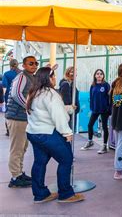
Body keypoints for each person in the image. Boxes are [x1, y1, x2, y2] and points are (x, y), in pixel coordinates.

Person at [25, 67, 84, 203]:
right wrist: (67, 132)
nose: (55, 78)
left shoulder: (34, 92)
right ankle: (66, 194)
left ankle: (40, 194)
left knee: (40, 162)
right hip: (48, 133)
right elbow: (58, 116)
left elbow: (42, 111)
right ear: (49, 78)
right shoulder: (51, 94)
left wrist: (67, 108)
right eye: (53, 76)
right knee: (66, 159)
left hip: (34, 133)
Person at [5, 55, 38, 188]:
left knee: (22, 147)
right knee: (17, 149)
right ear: (23, 65)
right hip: (16, 118)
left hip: (23, 118)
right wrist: (28, 106)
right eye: (31, 63)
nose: (34, 65)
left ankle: (18, 173)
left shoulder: (31, 77)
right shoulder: (22, 76)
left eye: (36, 63)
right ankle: (15, 177)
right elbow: (16, 94)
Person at [81, 69, 110, 154]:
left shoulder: (106, 85)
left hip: (104, 109)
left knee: (105, 127)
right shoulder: (92, 85)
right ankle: (90, 141)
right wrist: (92, 107)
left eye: (101, 74)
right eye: (97, 74)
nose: (99, 75)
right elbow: (91, 96)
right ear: (95, 76)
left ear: (103, 76)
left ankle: (104, 146)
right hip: (95, 109)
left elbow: (109, 97)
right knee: (90, 125)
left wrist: (108, 108)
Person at [3, 59, 21, 136]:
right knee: (20, 112)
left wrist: (3, 98)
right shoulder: (22, 73)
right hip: (21, 96)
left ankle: (9, 131)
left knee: (9, 113)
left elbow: (4, 86)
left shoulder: (7, 74)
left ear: (10, 65)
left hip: (9, 97)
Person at [59, 67, 80, 131]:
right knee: (68, 131)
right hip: (69, 113)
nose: (74, 74)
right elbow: (66, 100)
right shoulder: (66, 84)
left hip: (72, 112)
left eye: (75, 72)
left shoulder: (71, 83)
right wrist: (72, 108)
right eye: (72, 72)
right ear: (67, 73)